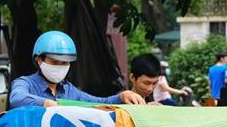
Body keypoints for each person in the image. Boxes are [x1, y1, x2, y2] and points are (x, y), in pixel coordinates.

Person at [9, 31, 144, 108]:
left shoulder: (70, 91)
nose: (60, 66)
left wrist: (121, 96)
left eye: (65, 63)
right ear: (39, 60)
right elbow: (16, 98)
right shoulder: (25, 83)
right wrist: (46, 103)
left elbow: (99, 103)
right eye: (55, 62)